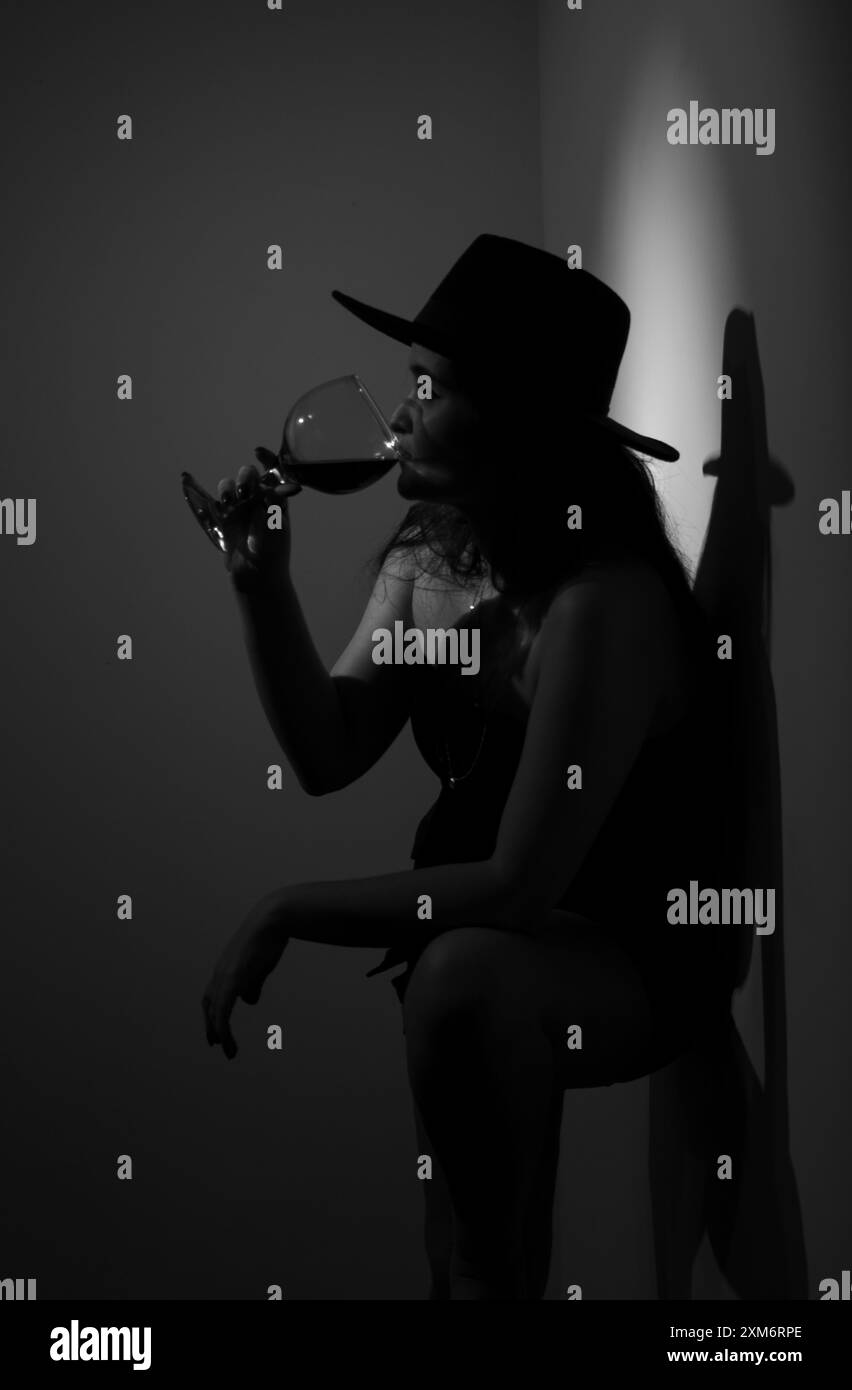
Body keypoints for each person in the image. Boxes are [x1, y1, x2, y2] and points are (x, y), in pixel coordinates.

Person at [201, 235, 741, 1300]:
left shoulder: (603, 602)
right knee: (452, 1246)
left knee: (460, 996)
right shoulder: (434, 553)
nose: (399, 416)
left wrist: (287, 906)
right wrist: (262, 587)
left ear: (524, 426)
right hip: (486, 944)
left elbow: (520, 885)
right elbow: (330, 748)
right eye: (410, 384)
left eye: (433, 389)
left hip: (628, 951)